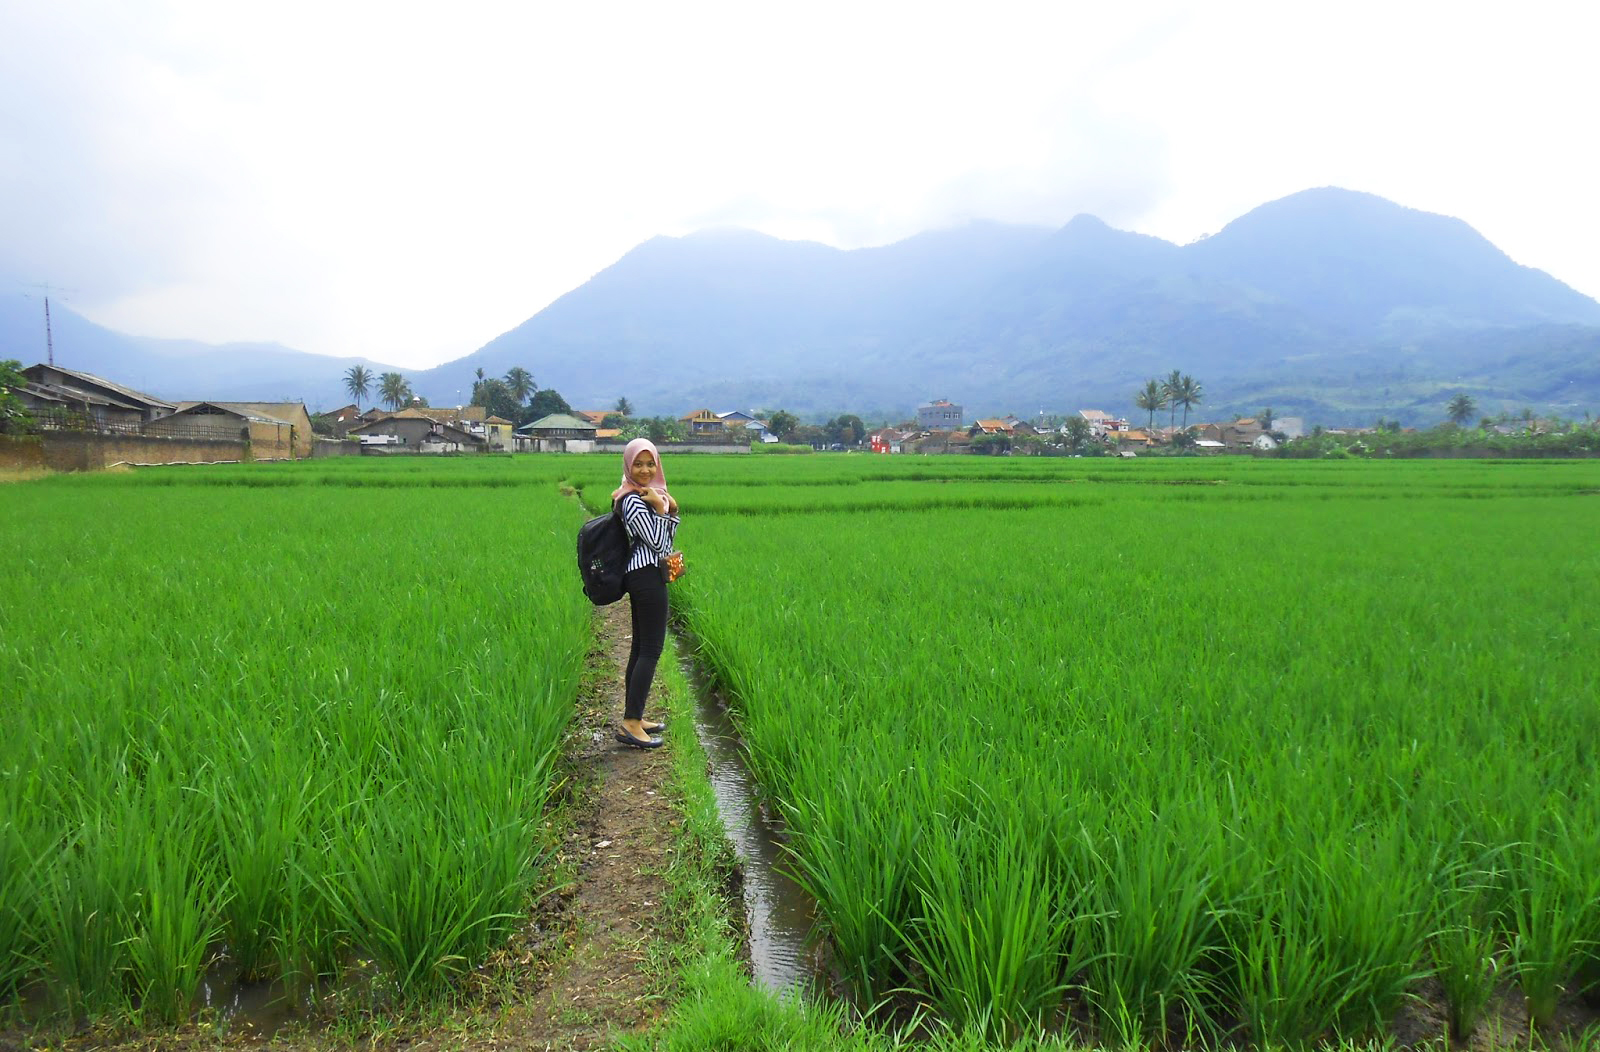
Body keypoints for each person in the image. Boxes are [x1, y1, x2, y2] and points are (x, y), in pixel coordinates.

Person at [612, 438, 679, 748]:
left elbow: (665, 537)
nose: (644, 469)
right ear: (628, 466)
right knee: (650, 649)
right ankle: (630, 722)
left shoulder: (648, 497)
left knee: (641, 648)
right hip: (646, 576)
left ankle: (635, 716)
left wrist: (670, 509)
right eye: (637, 464)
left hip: (649, 575)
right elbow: (657, 542)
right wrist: (661, 508)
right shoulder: (632, 500)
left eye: (650, 463)